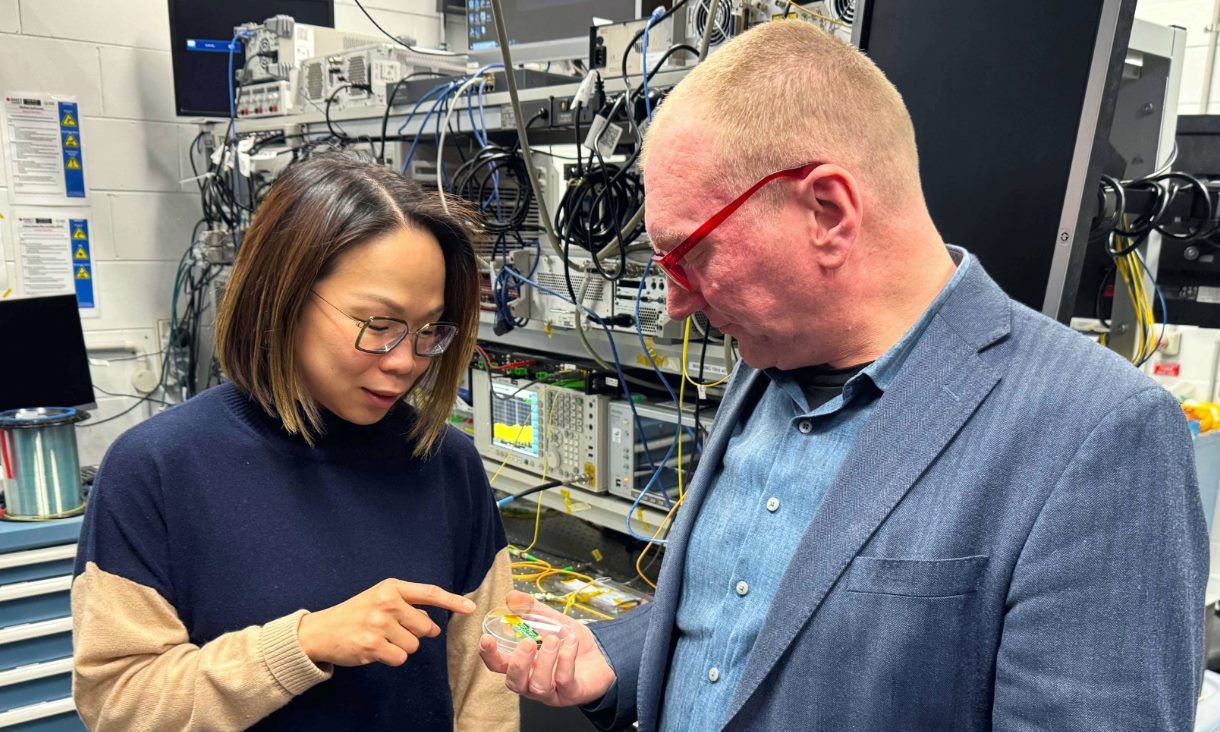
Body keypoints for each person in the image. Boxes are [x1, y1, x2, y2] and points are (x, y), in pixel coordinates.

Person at [479, 20, 1209, 731]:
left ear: (827, 210)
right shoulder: (769, 363)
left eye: (689, 256)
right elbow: (751, 615)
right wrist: (615, 658)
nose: (675, 301)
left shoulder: (1097, 433)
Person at [72, 152, 518, 731]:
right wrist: (303, 643)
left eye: (429, 329)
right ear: (282, 298)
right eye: (378, 326)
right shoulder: (156, 468)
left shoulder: (446, 463)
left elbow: (483, 692)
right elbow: (117, 702)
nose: (407, 361)